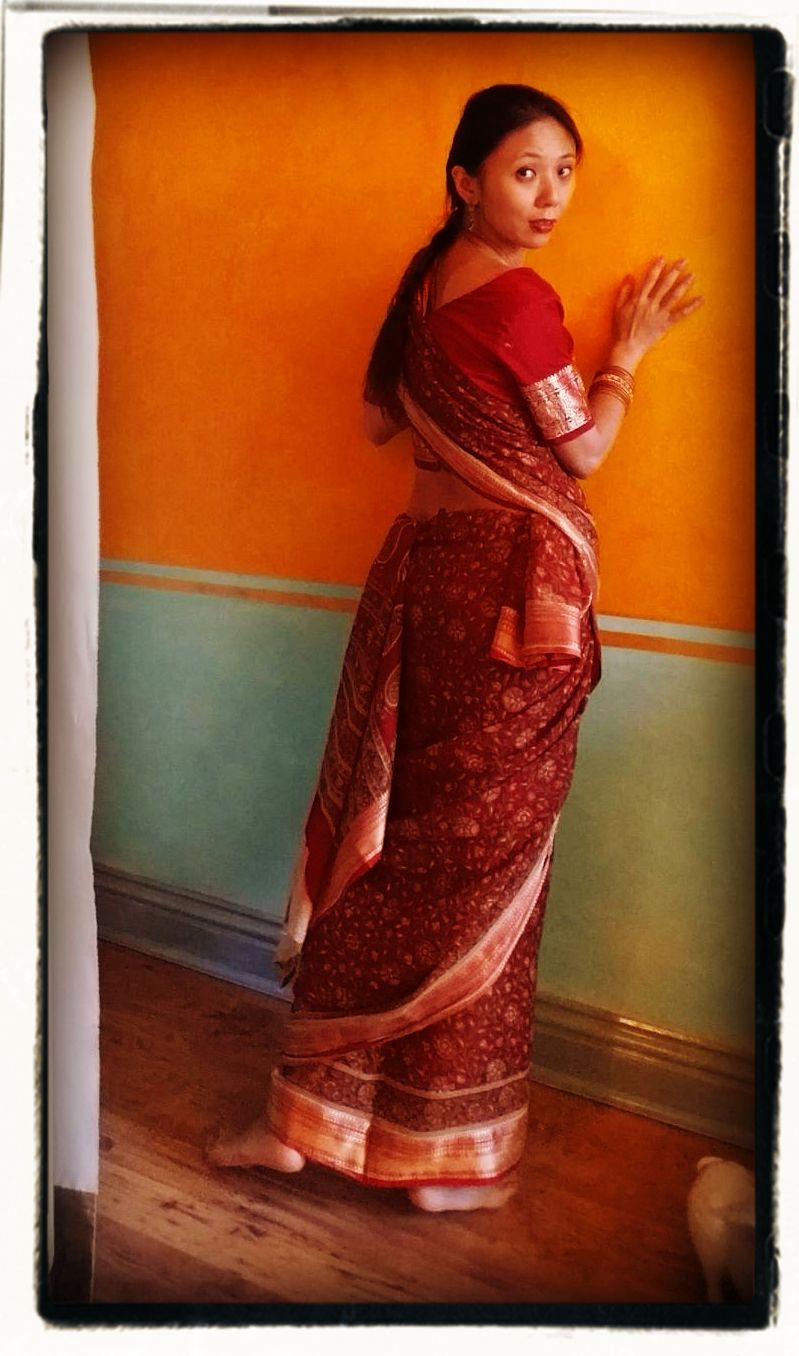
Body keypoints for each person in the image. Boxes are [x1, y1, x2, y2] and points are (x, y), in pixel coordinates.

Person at [209, 84, 702, 1212]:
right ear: (465, 180)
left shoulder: (425, 286)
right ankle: (444, 1161)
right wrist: (627, 352)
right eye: (526, 172)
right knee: (484, 870)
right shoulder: (519, 300)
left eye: (565, 172)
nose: (550, 197)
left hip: (424, 583)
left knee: (397, 847)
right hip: (506, 610)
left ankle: (304, 1117)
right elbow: (581, 452)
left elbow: (379, 421)